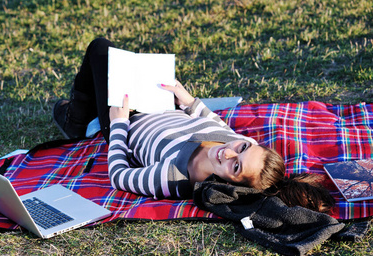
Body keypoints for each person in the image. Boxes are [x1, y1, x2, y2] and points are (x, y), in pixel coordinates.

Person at [53, 38, 335, 213]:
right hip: (163, 105)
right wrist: (188, 100)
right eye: (242, 147)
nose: (227, 153)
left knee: (100, 48)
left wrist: (117, 125)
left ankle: (76, 122)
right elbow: (216, 123)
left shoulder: (174, 177)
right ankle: (80, 112)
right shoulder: (232, 142)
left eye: (235, 166)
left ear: (231, 183)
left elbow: (119, 175)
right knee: (127, 60)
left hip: (129, 119)